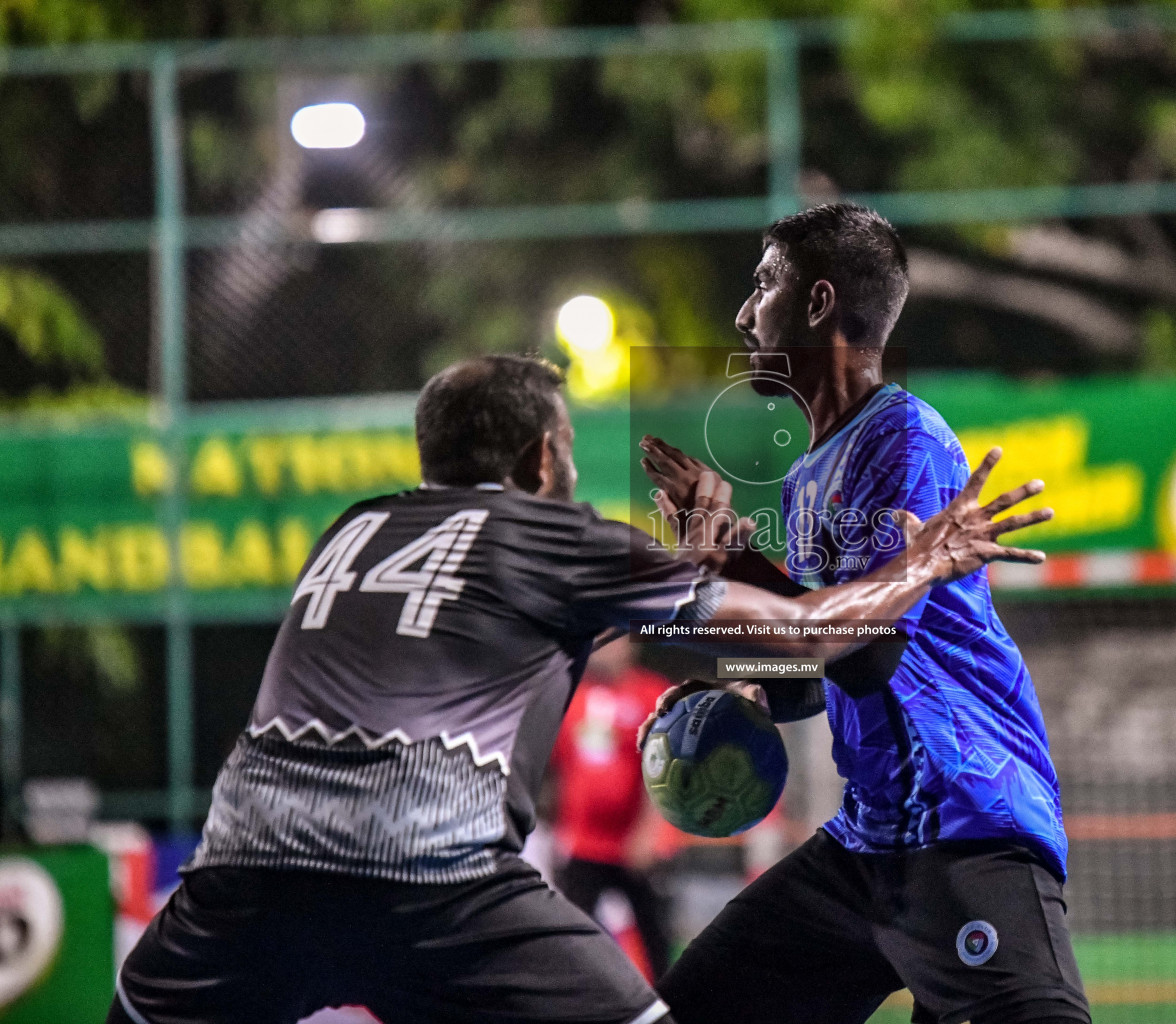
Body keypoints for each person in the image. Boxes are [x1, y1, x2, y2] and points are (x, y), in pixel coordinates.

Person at [107, 352, 1053, 1024]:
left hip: (239, 878)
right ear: (541, 463)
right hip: (439, 883)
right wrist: (927, 559)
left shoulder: (351, 531)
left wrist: (707, 561)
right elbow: (803, 640)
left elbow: (536, 620)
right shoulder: (554, 536)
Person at [640, 203, 1091, 1024]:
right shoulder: (809, 472)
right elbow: (815, 678)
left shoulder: (905, 441)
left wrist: (716, 586)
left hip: (964, 823)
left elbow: (862, 645)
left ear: (817, 305)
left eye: (764, 284)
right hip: (871, 840)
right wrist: (736, 656)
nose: (744, 313)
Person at [548, 636, 675, 980]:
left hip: (635, 844)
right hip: (583, 843)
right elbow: (560, 768)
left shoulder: (653, 692)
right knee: (572, 933)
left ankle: (667, 1004)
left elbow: (664, 770)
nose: (601, 650)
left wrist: (649, 832)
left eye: (610, 642)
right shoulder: (572, 694)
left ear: (629, 646)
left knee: (655, 934)